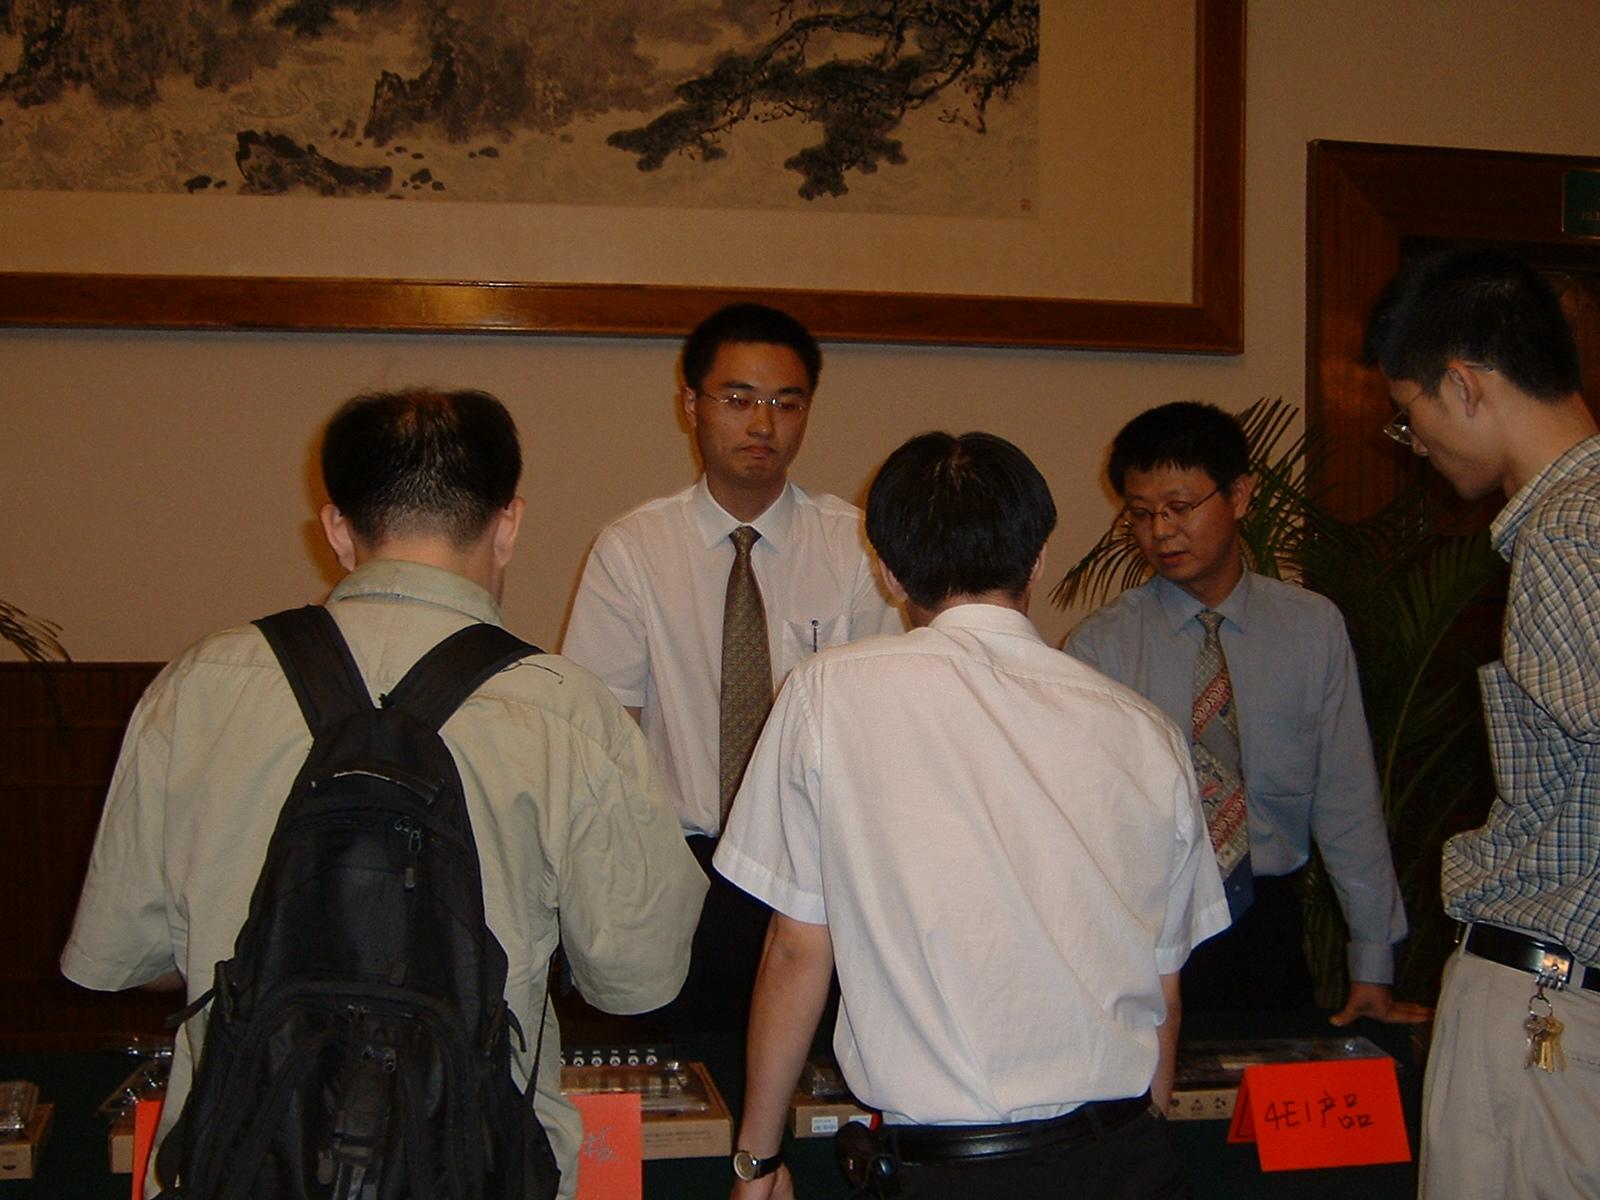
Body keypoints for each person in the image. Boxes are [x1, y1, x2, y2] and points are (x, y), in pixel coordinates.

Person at [60, 388, 707, 1200]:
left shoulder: (197, 686)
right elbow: (637, 976)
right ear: (509, 523)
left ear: (337, 530)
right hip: (475, 1167)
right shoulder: (568, 712)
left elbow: (124, 954)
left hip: (240, 1161)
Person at [715, 431, 1228, 1200]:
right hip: (1127, 1156)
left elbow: (797, 949)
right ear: (1039, 560)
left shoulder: (829, 695)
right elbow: (1166, 993)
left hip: (950, 1171)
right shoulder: (1144, 729)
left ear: (888, 571)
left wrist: (757, 1162)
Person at [562, 302, 902, 1030]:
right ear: (691, 405)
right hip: (678, 868)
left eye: (786, 403)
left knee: (813, 1074)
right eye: (739, 399)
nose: (762, 425)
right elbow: (602, 737)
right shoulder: (633, 550)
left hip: (814, 871)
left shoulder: (855, 548)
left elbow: (877, 730)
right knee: (689, 1070)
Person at [1362, 246, 1600, 1200]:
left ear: (1463, 385)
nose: (1414, 444)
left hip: (1549, 1004)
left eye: (1408, 414)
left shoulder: (1568, 532)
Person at [1065, 401, 1421, 1024]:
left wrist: (1372, 960)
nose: (1161, 532)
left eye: (1180, 507)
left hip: (1270, 924)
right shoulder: (1103, 647)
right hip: (1149, 928)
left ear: (1239, 495)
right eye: (1142, 514)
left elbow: (1347, 802)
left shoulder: (1311, 629)